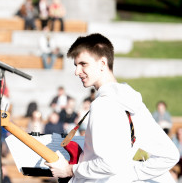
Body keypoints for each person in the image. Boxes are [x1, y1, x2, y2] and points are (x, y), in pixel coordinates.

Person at [44, 33, 180, 183]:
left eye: (83, 64)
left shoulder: (102, 105)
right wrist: (129, 175)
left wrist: (69, 170)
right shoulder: (132, 101)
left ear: (103, 63)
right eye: (76, 65)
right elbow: (169, 155)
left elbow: (109, 164)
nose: (77, 71)